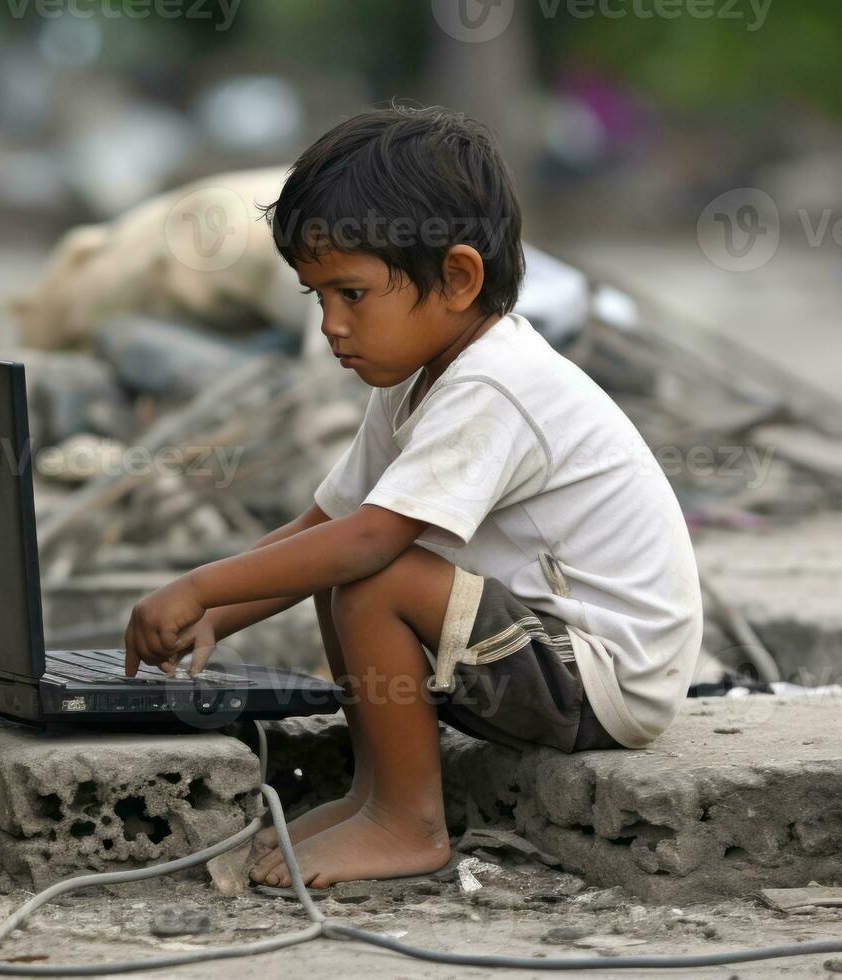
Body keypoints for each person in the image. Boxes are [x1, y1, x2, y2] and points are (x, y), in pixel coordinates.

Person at [123, 104, 703, 889]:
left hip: (599, 680)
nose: (330, 325)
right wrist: (211, 616)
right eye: (315, 297)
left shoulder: (495, 384)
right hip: (534, 655)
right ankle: (375, 794)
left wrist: (196, 584)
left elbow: (365, 544)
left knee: (373, 574)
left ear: (458, 278)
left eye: (352, 294)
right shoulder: (414, 380)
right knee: (338, 562)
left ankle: (405, 822)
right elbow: (323, 527)